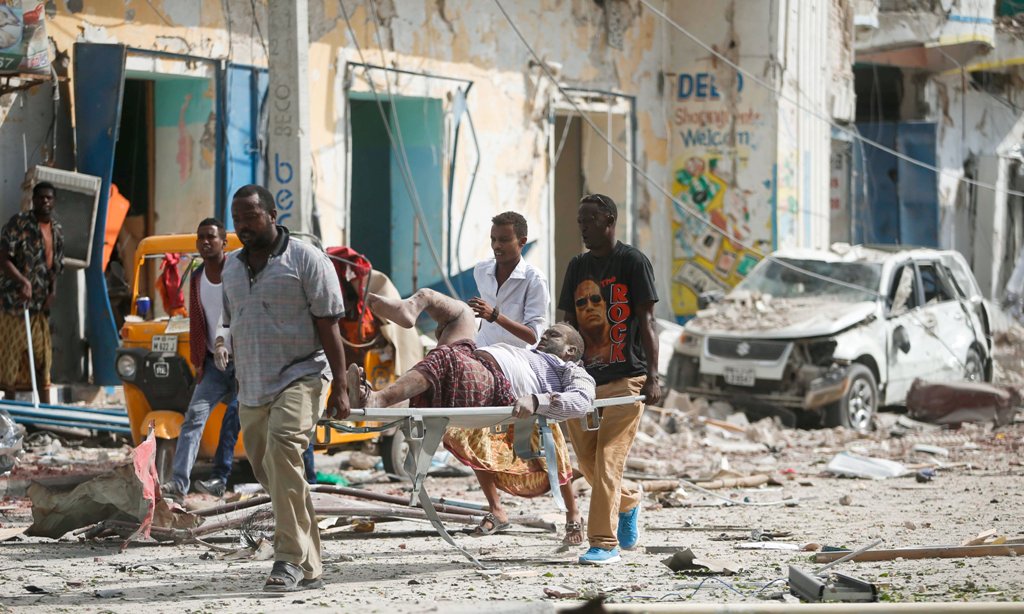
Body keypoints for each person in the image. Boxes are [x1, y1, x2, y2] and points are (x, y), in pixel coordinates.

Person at [350, 288, 594, 544]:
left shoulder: (570, 371)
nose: (543, 338)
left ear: (571, 352)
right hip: (477, 361)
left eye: (552, 335)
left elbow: (582, 400)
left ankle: (379, 399)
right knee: (461, 313)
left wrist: (537, 400)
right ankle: (410, 308)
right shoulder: (530, 353)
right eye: (545, 333)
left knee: (444, 357)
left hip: (498, 386)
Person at [220, 184, 348, 592]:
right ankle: (310, 564)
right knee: (271, 472)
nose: (242, 225)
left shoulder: (306, 259)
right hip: (253, 383)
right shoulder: (230, 267)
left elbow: (329, 325)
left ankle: (288, 560)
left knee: (283, 451)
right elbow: (234, 322)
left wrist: (341, 385)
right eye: (237, 218)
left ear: (273, 215)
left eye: (251, 217)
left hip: (302, 374)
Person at [558, 193, 661, 565]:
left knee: (607, 461)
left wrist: (652, 376)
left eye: (589, 220)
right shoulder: (576, 266)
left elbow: (648, 323)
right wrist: (558, 373)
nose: (583, 227)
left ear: (610, 220)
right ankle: (629, 500)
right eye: (580, 220)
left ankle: (604, 542)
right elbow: (566, 326)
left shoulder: (632, 262)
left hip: (625, 381)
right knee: (587, 462)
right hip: (582, 384)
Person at [159, 219, 239, 503]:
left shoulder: (237, 271)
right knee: (193, 417)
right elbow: (197, 321)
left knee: (236, 415)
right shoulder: (196, 277)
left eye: (211, 237)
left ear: (224, 242)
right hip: (213, 363)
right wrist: (198, 362)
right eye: (201, 238)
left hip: (243, 361)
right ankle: (178, 484)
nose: (205, 242)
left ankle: (221, 476)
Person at [0, 181, 63, 404]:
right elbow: (4, 258)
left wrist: (52, 291)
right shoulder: (19, 224)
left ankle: (45, 411)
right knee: (10, 359)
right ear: (34, 200)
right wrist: (22, 281)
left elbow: (55, 266)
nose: (45, 202)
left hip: (39, 306)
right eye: (41, 198)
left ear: (53, 202)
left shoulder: (56, 230)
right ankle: (10, 410)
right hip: (15, 305)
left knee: (43, 358)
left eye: (49, 198)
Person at [468, 211, 548, 348]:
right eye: (493, 239)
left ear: (522, 242)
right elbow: (485, 320)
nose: (496, 246)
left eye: (504, 240)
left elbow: (533, 336)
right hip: (483, 350)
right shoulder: (481, 270)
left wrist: (495, 316)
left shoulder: (535, 279)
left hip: (516, 359)